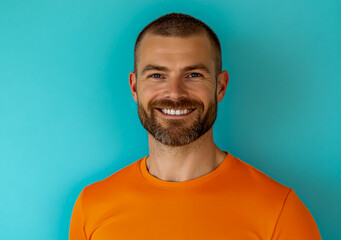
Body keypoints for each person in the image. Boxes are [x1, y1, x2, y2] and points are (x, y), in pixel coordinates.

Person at [69, 12, 322, 239]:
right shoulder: (92, 206)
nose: (175, 93)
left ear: (220, 86)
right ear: (135, 87)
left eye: (193, 75)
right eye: (157, 75)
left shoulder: (280, 211)